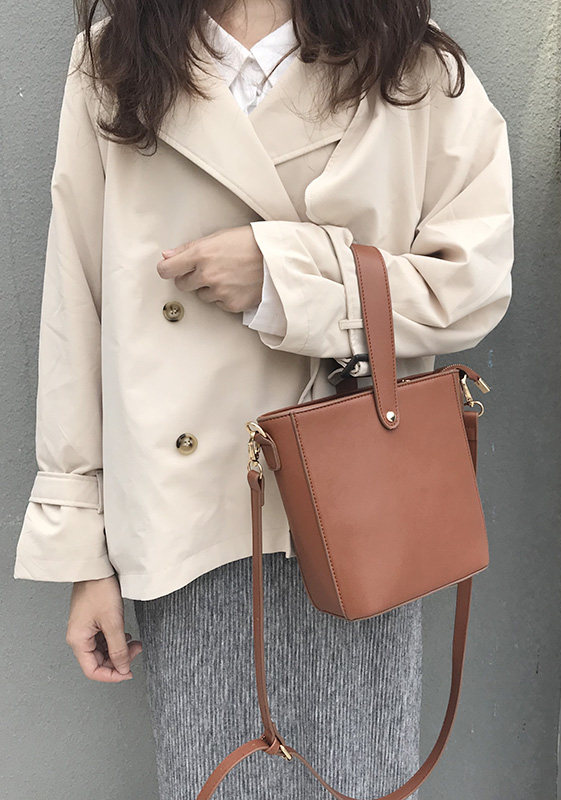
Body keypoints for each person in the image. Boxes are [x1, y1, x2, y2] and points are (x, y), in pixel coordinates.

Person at [13, 0, 514, 797]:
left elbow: (471, 285)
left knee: (359, 775)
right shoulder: (116, 61)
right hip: (188, 523)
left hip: (358, 508)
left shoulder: (408, 65)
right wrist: (83, 552)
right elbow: (77, 307)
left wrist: (285, 276)